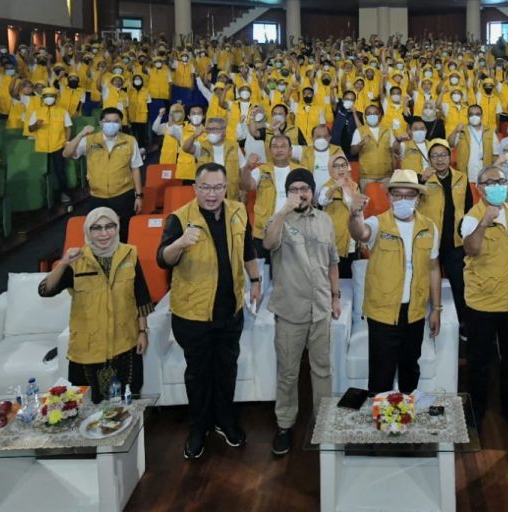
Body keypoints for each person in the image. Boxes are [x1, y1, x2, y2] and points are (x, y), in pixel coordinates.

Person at [158, 163, 262, 460]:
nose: (212, 194)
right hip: (193, 316)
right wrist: (180, 243)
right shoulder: (179, 219)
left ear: (226, 188)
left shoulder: (238, 211)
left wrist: (255, 279)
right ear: (195, 188)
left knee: (227, 370)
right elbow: (163, 259)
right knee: (198, 374)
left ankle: (225, 422)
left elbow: (247, 249)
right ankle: (198, 428)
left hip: (230, 311)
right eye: (205, 187)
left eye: (217, 187)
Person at [263, 168, 341, 456]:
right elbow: (268, 243)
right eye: (294, 189)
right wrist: (284, 210)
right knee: (287, 372)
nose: (300, 193)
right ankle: (285, 424)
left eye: (304, 188)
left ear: (312, 191)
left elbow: (332, 262)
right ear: (287, 193)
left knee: (322, 370)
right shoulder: (278, 220)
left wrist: (335, 297)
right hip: (289, 311)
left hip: (320, 309)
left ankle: (323, 421)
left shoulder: (325, 220)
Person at [39, 207, 152, 403]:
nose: (104, 233)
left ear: (117, 228)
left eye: (109, 226)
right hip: (88, 348)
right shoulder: (77, 260)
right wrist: (63, 262)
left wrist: (142, 331)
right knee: (88, 406)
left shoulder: (129, 254)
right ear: (87, 231)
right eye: (97, 228)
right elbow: (45, 290)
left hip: (124, 344)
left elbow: (140, 297)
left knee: (128, 403)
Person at [347, 169, 442, 395]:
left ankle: (407, 411)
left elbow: (433, 268)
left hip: (415, 312)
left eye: (409, 195)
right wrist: (354, 214)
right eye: (397, 195)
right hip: (382, 312)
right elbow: (360, 233)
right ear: (389, 197)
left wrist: (437, 309)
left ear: (418, 198)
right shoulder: (378, 223)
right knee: (381, 376)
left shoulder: (429, 227)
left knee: (410, 371)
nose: (402, 200)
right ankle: (380, 414)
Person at [461, 165, 508, 435]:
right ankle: (476, 411)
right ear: (480, 188)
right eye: (490, 182)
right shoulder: (471, 217)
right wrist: (484, 222)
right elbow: (471, 248)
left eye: (501, 181)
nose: (497, 186)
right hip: (483, 304)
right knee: (479, 363)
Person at [63, 109, 144, 237]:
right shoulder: (89, 140)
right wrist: (81, 134)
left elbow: (135, 168)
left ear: (120, 123)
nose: (112, 124)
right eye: (108, 121)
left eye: (116, 121)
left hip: (123, 195)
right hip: (98, 197)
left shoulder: (130, 141)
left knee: (124, 233)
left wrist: (139, 196)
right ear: (101, 123)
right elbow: (66, 153)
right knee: (100, 235)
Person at [419, 140, 474, 326]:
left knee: (460, 285)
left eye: (443, 155)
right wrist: (421, 180)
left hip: (455, 242)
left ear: (450, 157)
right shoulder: (422, 180)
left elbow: (469, 209)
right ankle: (426, 321)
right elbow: (411, 202)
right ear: (429, 159)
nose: (439, 159)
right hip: (429, 241)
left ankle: (464, 326)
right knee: (426, 284)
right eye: (434, 156)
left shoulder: (462, 178)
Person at [29, 86, 73, 205]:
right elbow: (30, 128)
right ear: (43, 98)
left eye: (51, 96)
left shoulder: (63, 111)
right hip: (41, 147)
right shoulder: (36, 112)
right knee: (42, 172)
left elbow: (68, 127)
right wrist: (36, 125)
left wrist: (67, 142)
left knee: (60, 170)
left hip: (58, 145)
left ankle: (64, 193)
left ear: (55, 98)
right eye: (46, 96)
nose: (49, 98)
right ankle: (43, 196)